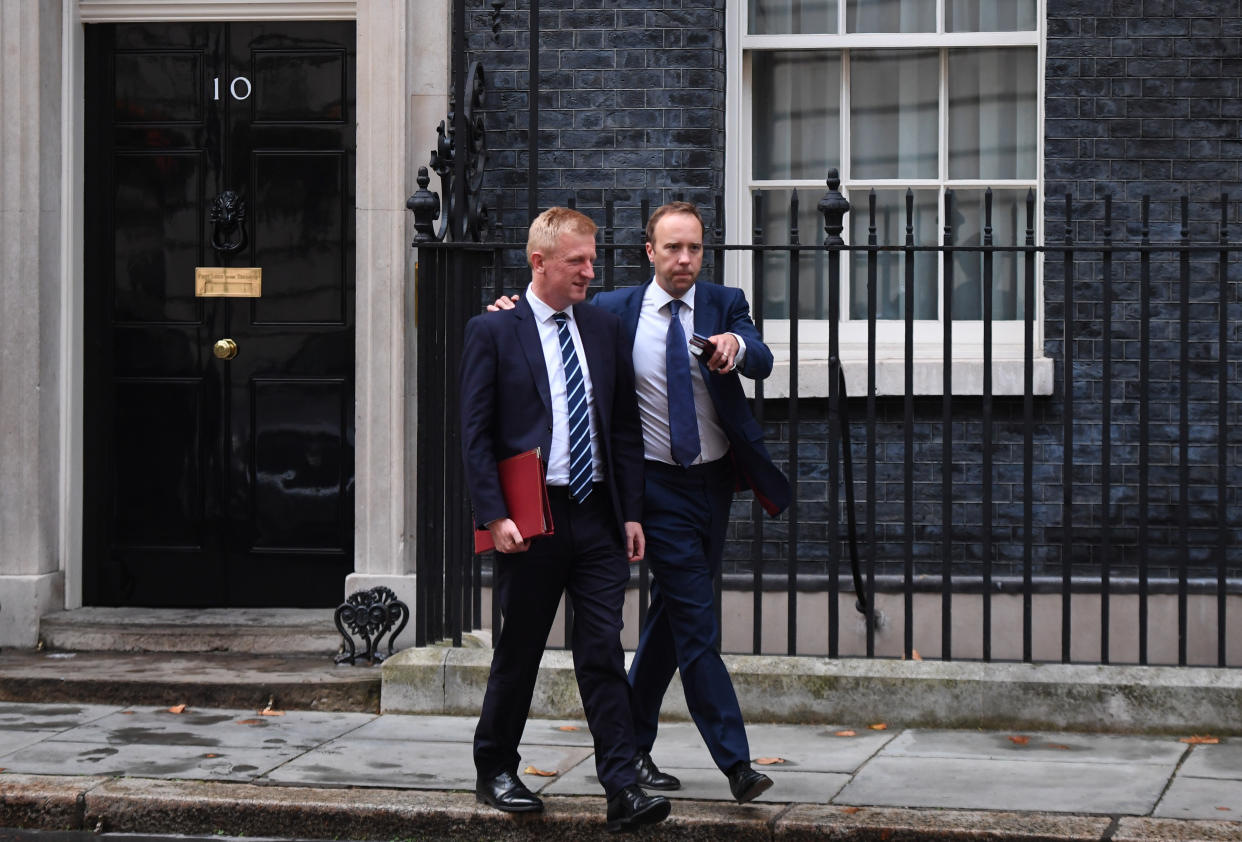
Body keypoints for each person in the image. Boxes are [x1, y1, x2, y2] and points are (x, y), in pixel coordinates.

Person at [492, 201, 792, 804]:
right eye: (673, 248)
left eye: (695, 248)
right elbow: (544, 313)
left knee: (671, 621)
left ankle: (632, 745)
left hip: (712, 482)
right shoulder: (613, 309)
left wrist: (737, 343)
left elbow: (760, 358)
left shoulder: (724, 301)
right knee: (697, 620)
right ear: (649, 252)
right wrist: (507, 309)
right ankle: (736, 762)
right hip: (652, 485)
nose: (686, 259)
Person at [460, 206, 671, 832]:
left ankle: (622, 786)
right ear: (539, 262)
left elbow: (625, 429)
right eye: (577, 260)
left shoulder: (603, 329)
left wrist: (630, 512)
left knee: (603, 648)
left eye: (593, 257)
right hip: (532, 519)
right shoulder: (494, 331)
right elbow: (474, 435)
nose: (590, 269)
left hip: (597, 515)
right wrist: (492, 515)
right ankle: (495, 768)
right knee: (519, 649)